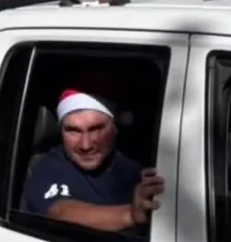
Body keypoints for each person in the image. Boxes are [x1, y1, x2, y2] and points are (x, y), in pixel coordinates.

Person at [22, 88, 163, 232]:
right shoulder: (49, 168)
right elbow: (59, 212)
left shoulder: (134, 171)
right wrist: (130, 215)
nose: (85, 145)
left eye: (95, 129)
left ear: (115, 128)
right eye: (73, 131)